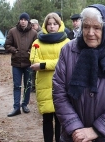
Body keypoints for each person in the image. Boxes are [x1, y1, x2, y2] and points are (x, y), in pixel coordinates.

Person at [52, 4, 105, 142]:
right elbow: (59, 92)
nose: (90, 33)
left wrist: (97, 129)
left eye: (97, 28)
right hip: (75, 137)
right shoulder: (68, 50)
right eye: (86, 27)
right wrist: (75, 128)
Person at [30, 12, 69, 142]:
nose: (52, 26)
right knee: (46, 119)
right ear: (45, 25)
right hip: (43, 84)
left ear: (59, 24)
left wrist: (43, 65)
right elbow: (33, 61)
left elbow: (66, 62)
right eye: (49, 24)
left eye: (55, 24)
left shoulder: (67, 42)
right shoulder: (37, 42)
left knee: (60, 119)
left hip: (61, 84)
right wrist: (52, 63)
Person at [4, 12, 37, 117]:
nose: (23, 21)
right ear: (19, 20)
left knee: (27, 85)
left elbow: (37, 46)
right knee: (17, 86)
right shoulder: (12, 31)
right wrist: (15, 50)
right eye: (21, 19)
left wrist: (31, 52)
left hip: (28, 63)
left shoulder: (33, 33)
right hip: (16, 63)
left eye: (25, 19)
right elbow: (7, 45)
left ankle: (25, 105)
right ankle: (16, 107)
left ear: (28, 21)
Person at [29, 18, 42, 93]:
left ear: (37, 25)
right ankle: (33, 86)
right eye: (31, 25)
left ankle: (36, 86)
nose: (32, 27)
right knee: (33, 72)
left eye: (33, 25)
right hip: (33, 54)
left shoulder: (40, 33)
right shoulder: (32, 32)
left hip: (39, 55)